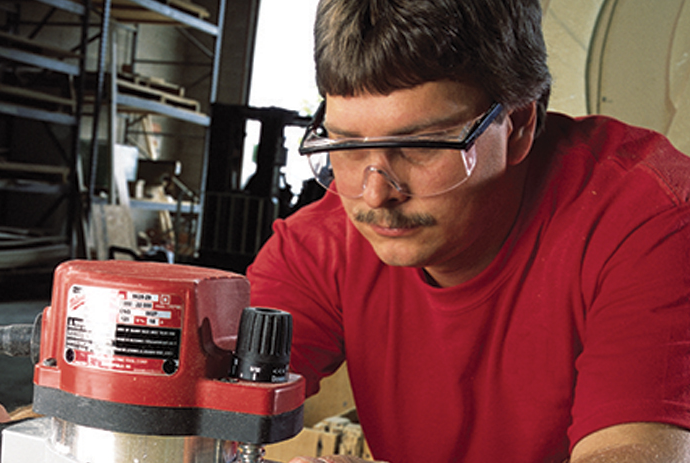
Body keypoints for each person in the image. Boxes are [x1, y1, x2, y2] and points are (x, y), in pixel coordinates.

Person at [247, 0, 690, 462]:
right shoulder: (323, 242)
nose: (375, 195)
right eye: (347, 146)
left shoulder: (650, 222)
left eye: (419, 147)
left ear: (517, 125)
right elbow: (209, 410)